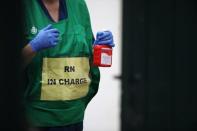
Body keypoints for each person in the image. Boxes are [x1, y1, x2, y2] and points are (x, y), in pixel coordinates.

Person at [22, 0, 115, 131]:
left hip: (74, 117)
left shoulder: (78, 5)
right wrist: (33, 46)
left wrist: (99, 48)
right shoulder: (22, 8)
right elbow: (7, 67)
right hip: (37, 120)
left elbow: (87, 61)